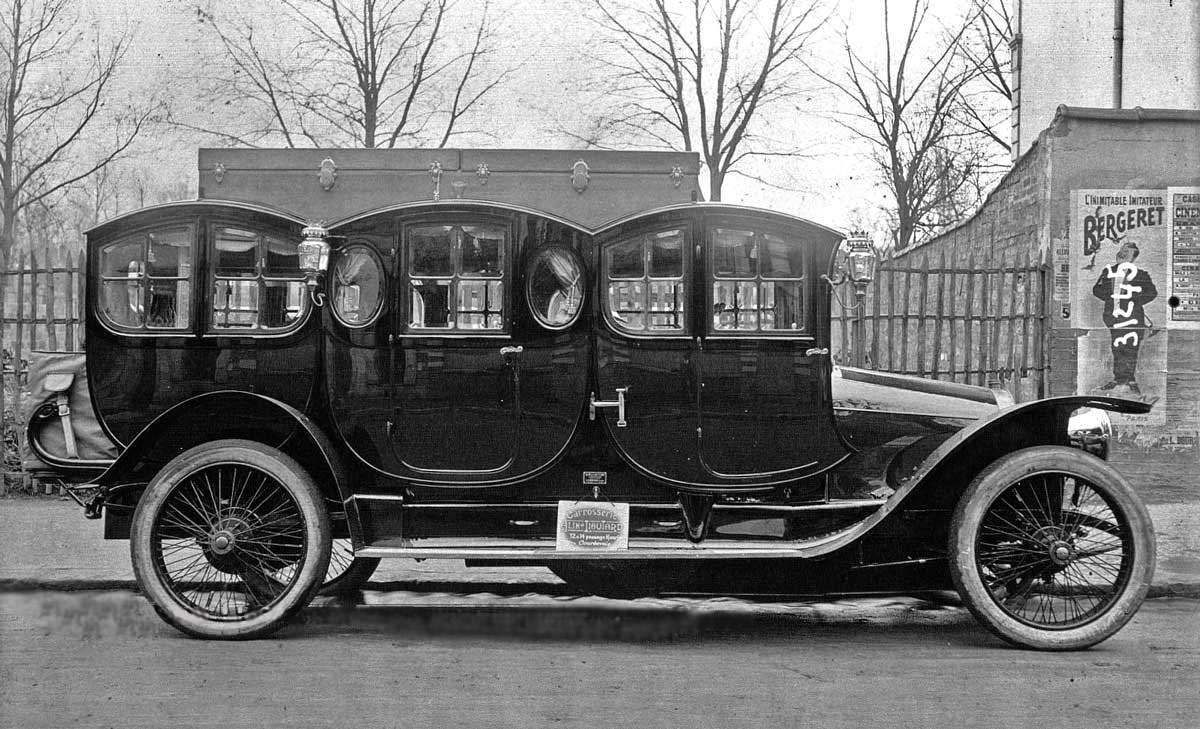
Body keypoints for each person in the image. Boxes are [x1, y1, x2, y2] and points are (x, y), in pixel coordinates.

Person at [1091, 240, 1157, 396]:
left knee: (1131, 348)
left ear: (1133, 258)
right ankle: (1119, 379)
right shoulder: (1108, 272)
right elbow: (1096, 289)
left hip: (1134, 318)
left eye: (1127, 252)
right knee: (1117, 348)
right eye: (1122, 250)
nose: (1122, 253)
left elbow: (1152, 293)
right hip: (1114, 317)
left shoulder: (1141, 275)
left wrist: (1134, 300)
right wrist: (1110, 298)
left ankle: (1130, 380)